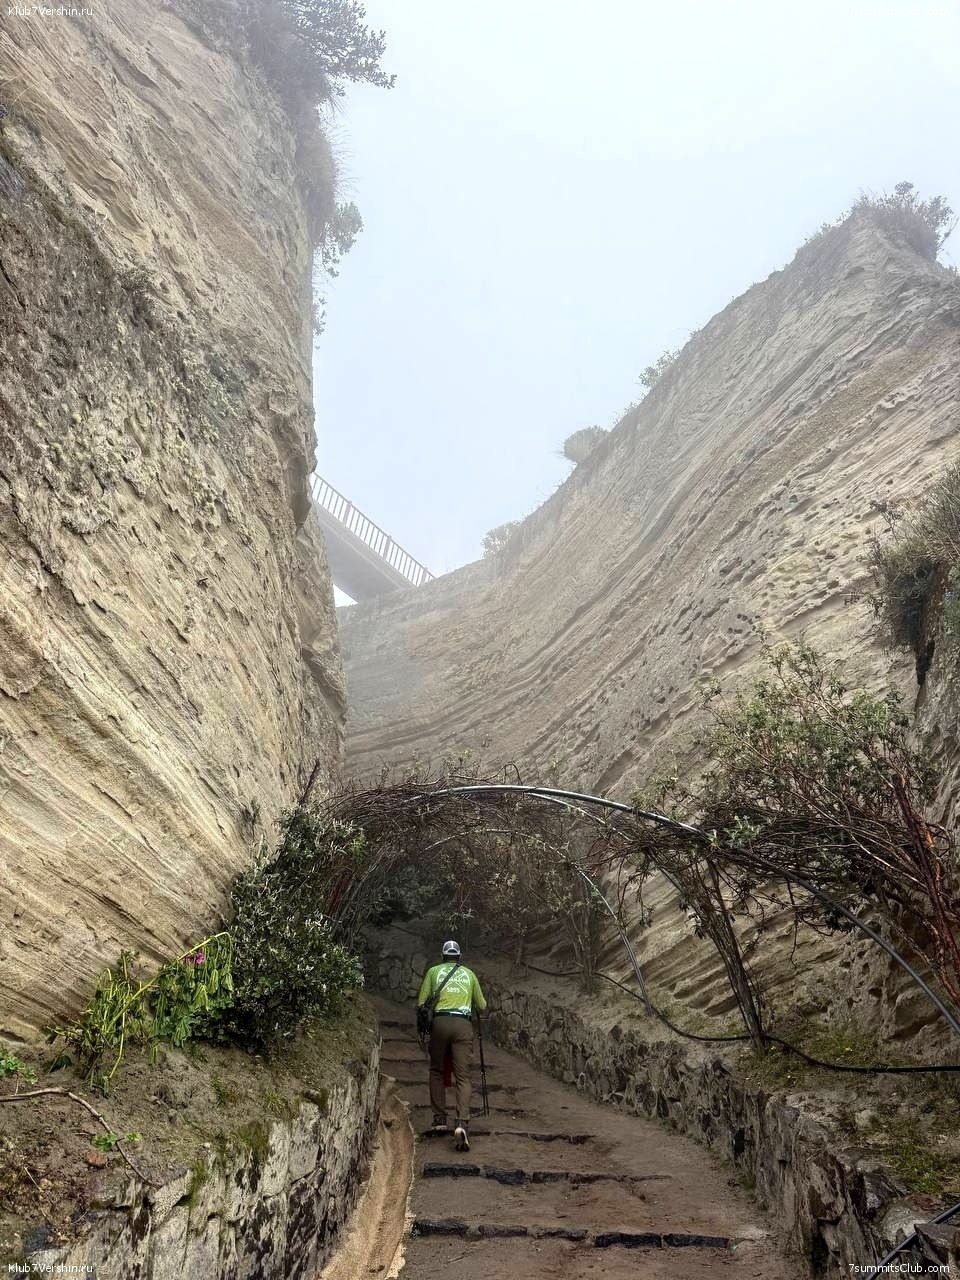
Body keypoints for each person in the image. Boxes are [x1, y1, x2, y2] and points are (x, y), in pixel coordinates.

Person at [416, 939, 487, 1151]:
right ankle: (462, 1122)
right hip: (463, 1025)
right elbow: (482, 1005)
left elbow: (421, 1003)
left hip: (440, 1023)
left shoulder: (433, 972)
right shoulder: (470, 974)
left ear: (443, 956)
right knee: (463, 1076)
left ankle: (439, 1118)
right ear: (459, 957)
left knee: (437, 1070)